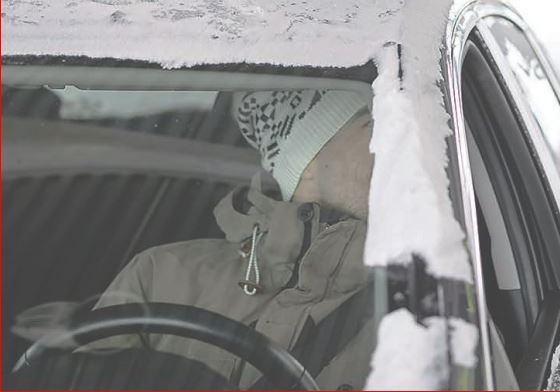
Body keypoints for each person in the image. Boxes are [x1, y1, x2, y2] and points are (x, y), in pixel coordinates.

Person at [91, 89, 376, 389]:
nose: (396, 143)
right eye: (370, 125)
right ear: (307, 164)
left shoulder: (415, 305)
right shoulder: (158, 277)